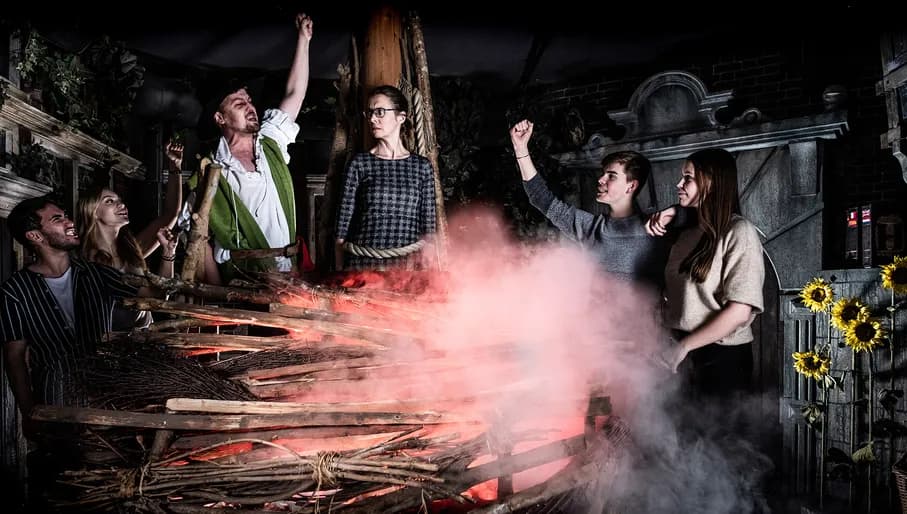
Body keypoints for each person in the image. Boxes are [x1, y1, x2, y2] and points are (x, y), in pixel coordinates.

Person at [0, 196, 144, 508]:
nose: (69, 222)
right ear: (35, 236)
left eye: (66, 216)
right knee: (68, 488)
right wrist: (29, 412)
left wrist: (170, 256)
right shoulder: (15, 291)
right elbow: (15, 358)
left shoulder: (96, 274)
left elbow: (148, 295)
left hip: (110, 401)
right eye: (57, 219)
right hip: (59, 406)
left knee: (116, 486)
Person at [199, 13, 315, 281]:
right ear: (219, 118)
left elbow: (294, 93)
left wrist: (304, 41)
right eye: (239, 104)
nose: (250, 107)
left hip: (290, 277)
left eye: (249, 101)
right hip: (243, 281)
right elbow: (200, 239)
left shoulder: (271, 142)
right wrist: (218, 295)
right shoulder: (210, 171)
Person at [648, 148, 765, 399]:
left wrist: (683, 347)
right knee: (681, 436)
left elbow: (739, 312)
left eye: (688, 177)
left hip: (722, 361)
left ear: (710, 182)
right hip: (679, 354)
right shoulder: (685, 234)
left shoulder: (739, 232)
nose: (679, 184)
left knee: (721, 438)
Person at [508, 119, 674, 291]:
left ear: (631, 186)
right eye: (603, 174)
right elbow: (540, 197)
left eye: (611, 176)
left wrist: (676, 212)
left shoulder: (657, 227)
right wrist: (520, 149)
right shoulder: (590, 227)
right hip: (599, 317)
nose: (601, 179)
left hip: (647, 317)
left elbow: (700, 214)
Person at [76, 141, 182, 330]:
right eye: (110, 201)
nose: (121, 205)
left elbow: (171, 213)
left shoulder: (132, 248)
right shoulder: (89, 262)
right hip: (113, 348)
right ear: (92, 212)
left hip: (145, 341)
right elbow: (154, 297)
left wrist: (175, 167)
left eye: (120, 201)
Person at [334, 85, 438, 270]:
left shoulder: (422, 167)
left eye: (380, 112)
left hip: (406, 266)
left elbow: (428, 226)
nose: (373, 119)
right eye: (370, 112)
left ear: (401, 117)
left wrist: (426, 270)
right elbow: (343, 223)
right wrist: (339, 272)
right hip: (362, 264)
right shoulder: (360, 163)